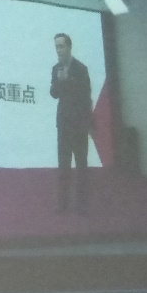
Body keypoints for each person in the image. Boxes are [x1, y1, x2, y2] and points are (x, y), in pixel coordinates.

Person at [49, 33, 92, 213]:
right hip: (63, 124)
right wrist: (60, 82)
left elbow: (86, 96)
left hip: (79, 125)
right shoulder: (56, 69)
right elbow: (53, 93)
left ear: (69, 47)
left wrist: (88, 124)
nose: (58, 50)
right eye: (56, 47)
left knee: (81, 166)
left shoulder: (81, 69)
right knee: (64, 166)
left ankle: (82, 205)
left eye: (61, 46)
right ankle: (63, 205)